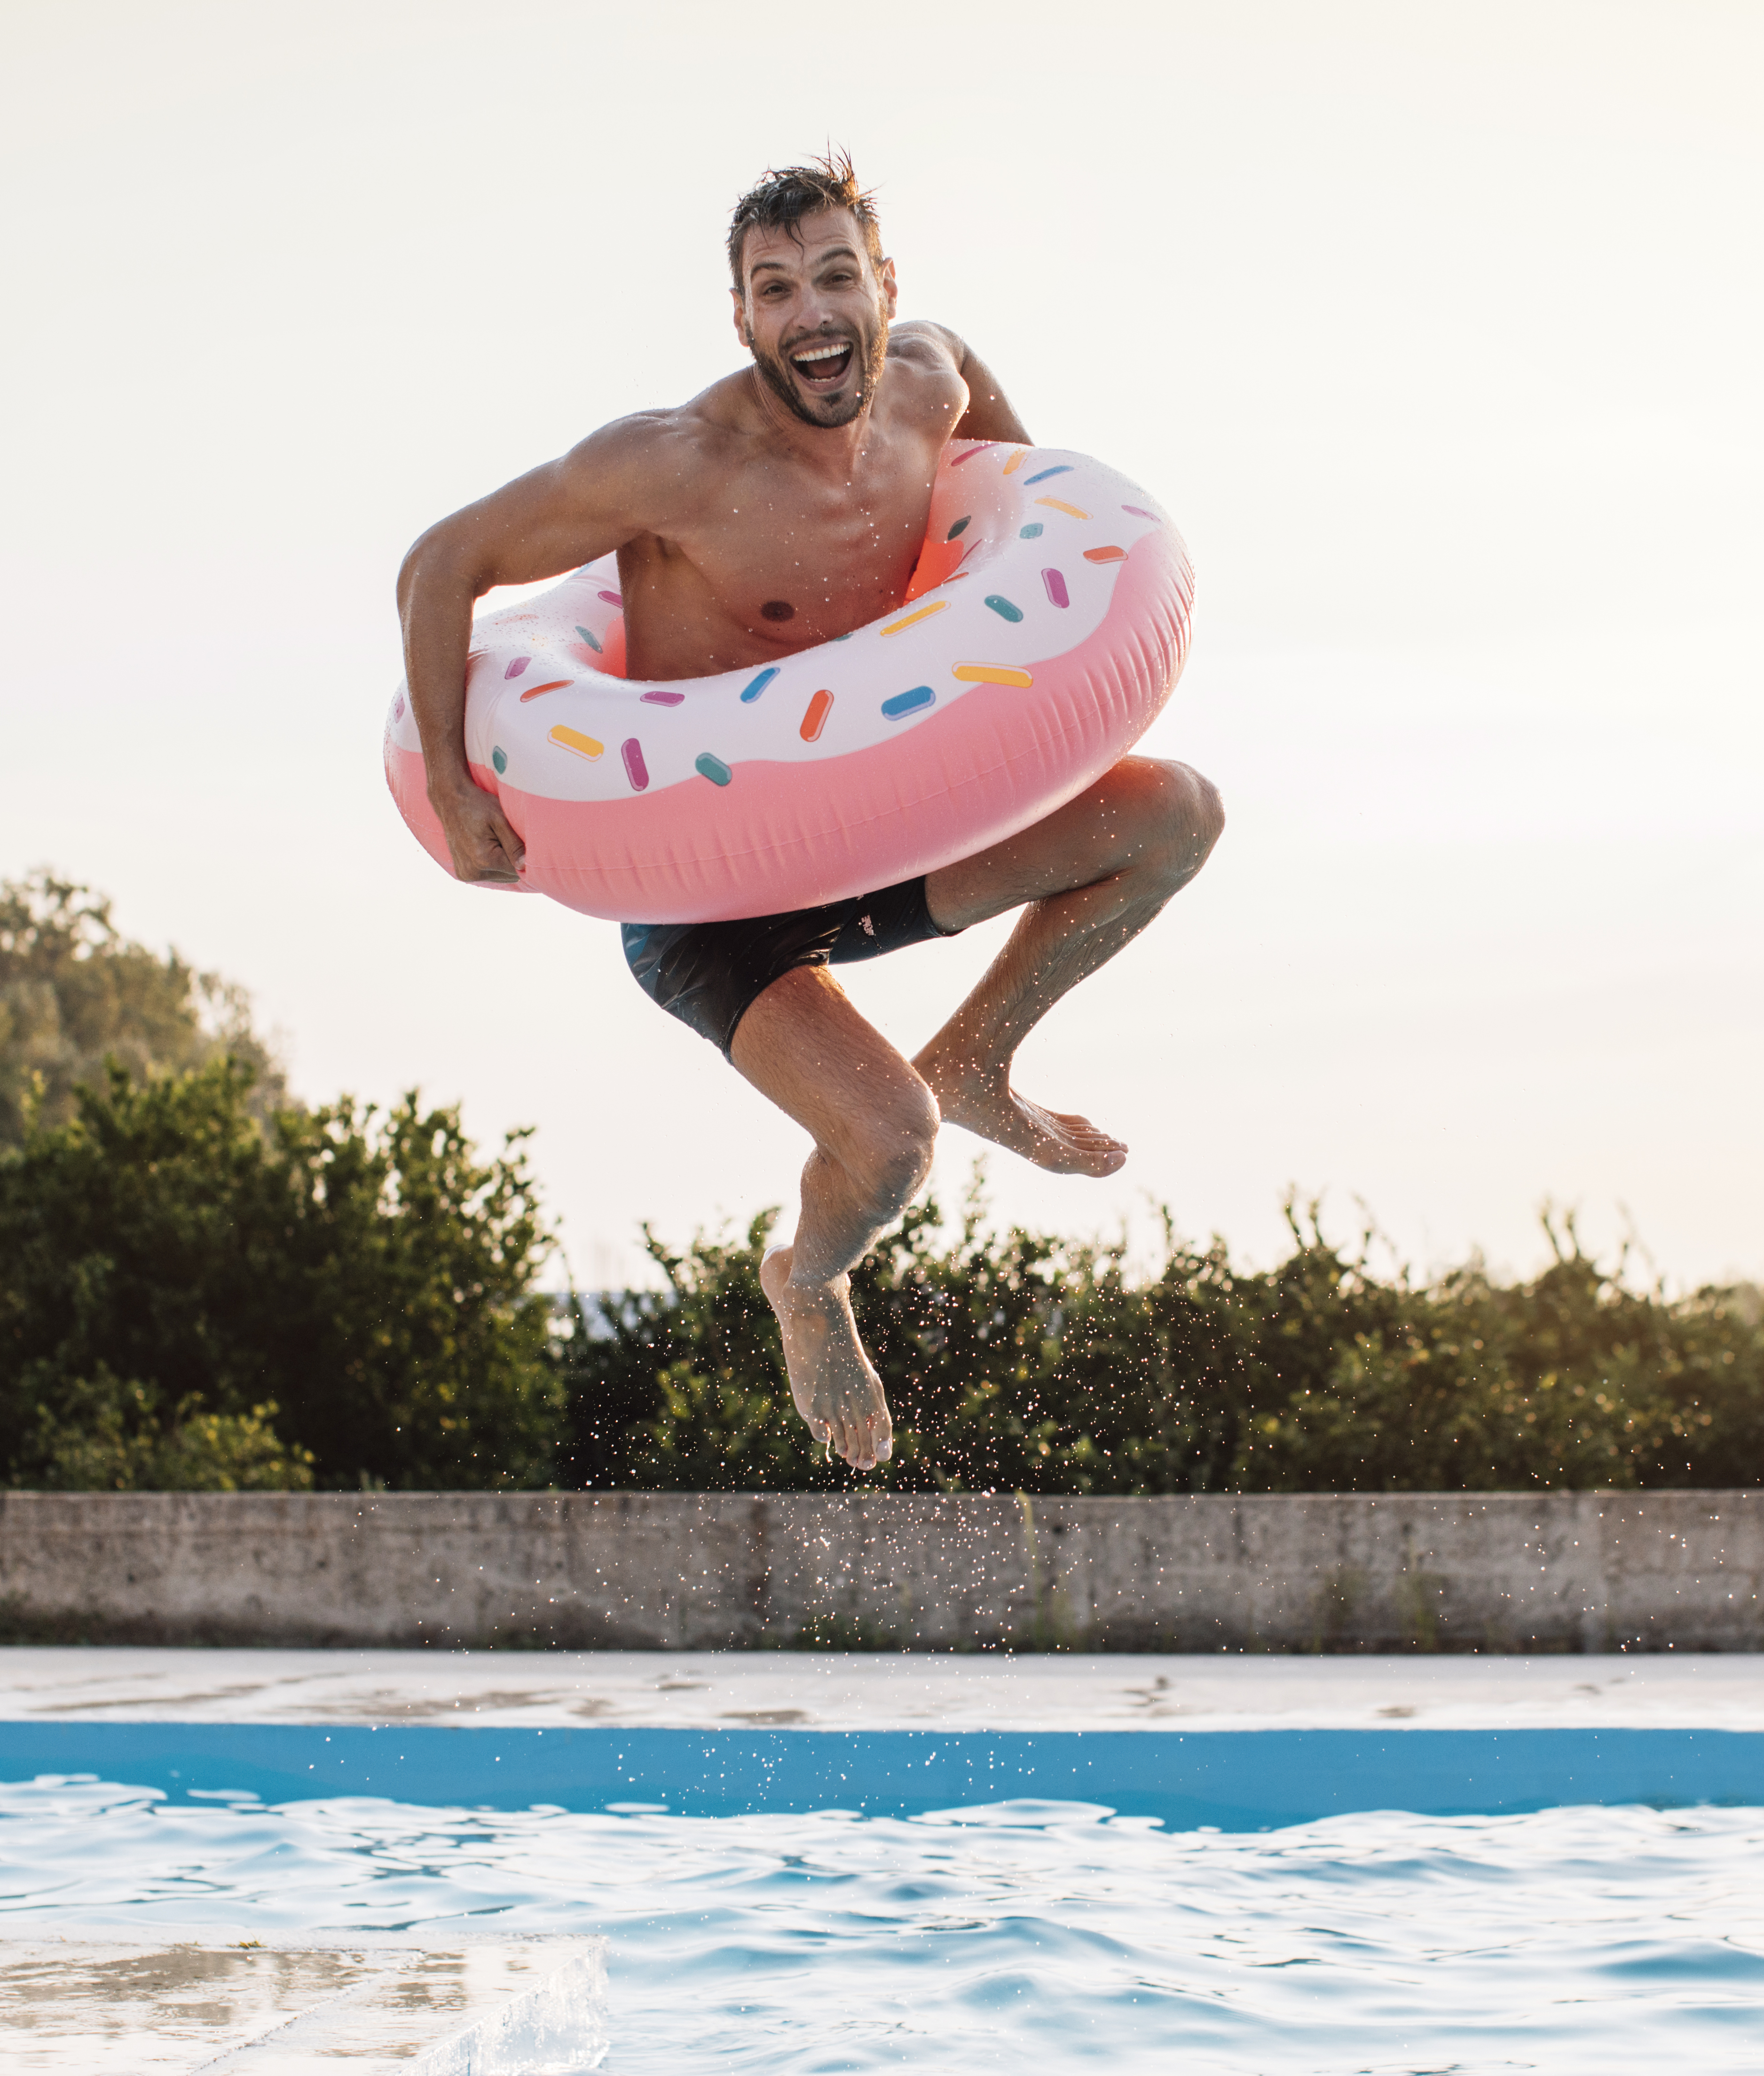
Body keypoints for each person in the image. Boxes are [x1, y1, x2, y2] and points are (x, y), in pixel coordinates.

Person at [396, 154, 1221, 1472]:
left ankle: (980, 1060)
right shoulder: (669, 466)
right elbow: (443, 563)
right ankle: (808, 1281)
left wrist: (1041, 684)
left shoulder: (933, 383)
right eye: (776, 290)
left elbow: (1017, 496)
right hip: (708, 888)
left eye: (836, 277)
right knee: (893, 1148)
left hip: (884, 832)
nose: (812, 313)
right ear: (741, 318)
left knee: (1173, 815)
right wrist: (453, 789)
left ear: (885, 287)